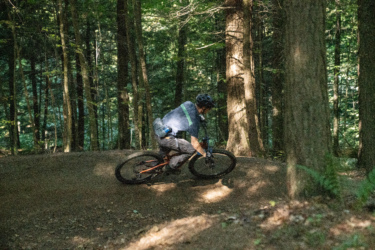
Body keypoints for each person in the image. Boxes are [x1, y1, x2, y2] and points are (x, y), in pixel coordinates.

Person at [155, 94, 215, 174]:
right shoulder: (194, 122)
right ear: (204, 108)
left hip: (159, 128)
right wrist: (204, 154)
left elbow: (185, 114)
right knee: (191, 149)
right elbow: (194, 143)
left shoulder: (188, 103)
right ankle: (171, 166)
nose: (209, 111)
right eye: (209, 109)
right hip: (166, 138)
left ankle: (153, 168)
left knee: (162, 155)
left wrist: (199, 117)